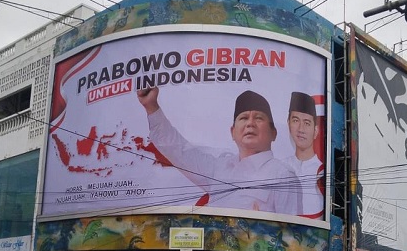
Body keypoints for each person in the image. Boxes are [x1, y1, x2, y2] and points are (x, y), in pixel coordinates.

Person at [137, 86, 301, 215]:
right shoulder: (219, 168)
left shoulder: (282, 175)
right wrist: (152, 107)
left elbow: (294, 238)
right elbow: (179, 150)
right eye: (243, 118)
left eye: (258, 118)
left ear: (274, 133)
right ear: (233, 132)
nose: (250, 123)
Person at [282, 91, 325, 218]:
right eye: (295, 120)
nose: (301, 129)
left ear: (315, 130)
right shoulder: (279, 167)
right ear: (288, 123)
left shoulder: (322, 173)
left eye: (307, 123)